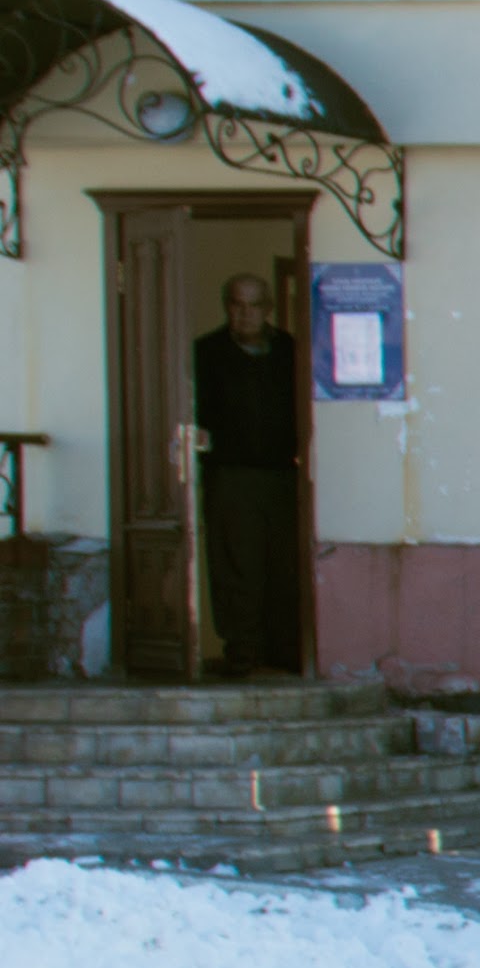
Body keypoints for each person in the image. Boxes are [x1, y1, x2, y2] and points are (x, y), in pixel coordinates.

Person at [189, 272, 298, 677]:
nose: (246, 313)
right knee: (236, 565)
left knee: (283, 564)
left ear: (268, 308)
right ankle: (242, 651)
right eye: (237, 304)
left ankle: (284, 650)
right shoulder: (206, 352)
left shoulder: (290, 351)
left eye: (254, 305)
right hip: (230, 475)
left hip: (283, 475)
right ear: (227, 307)